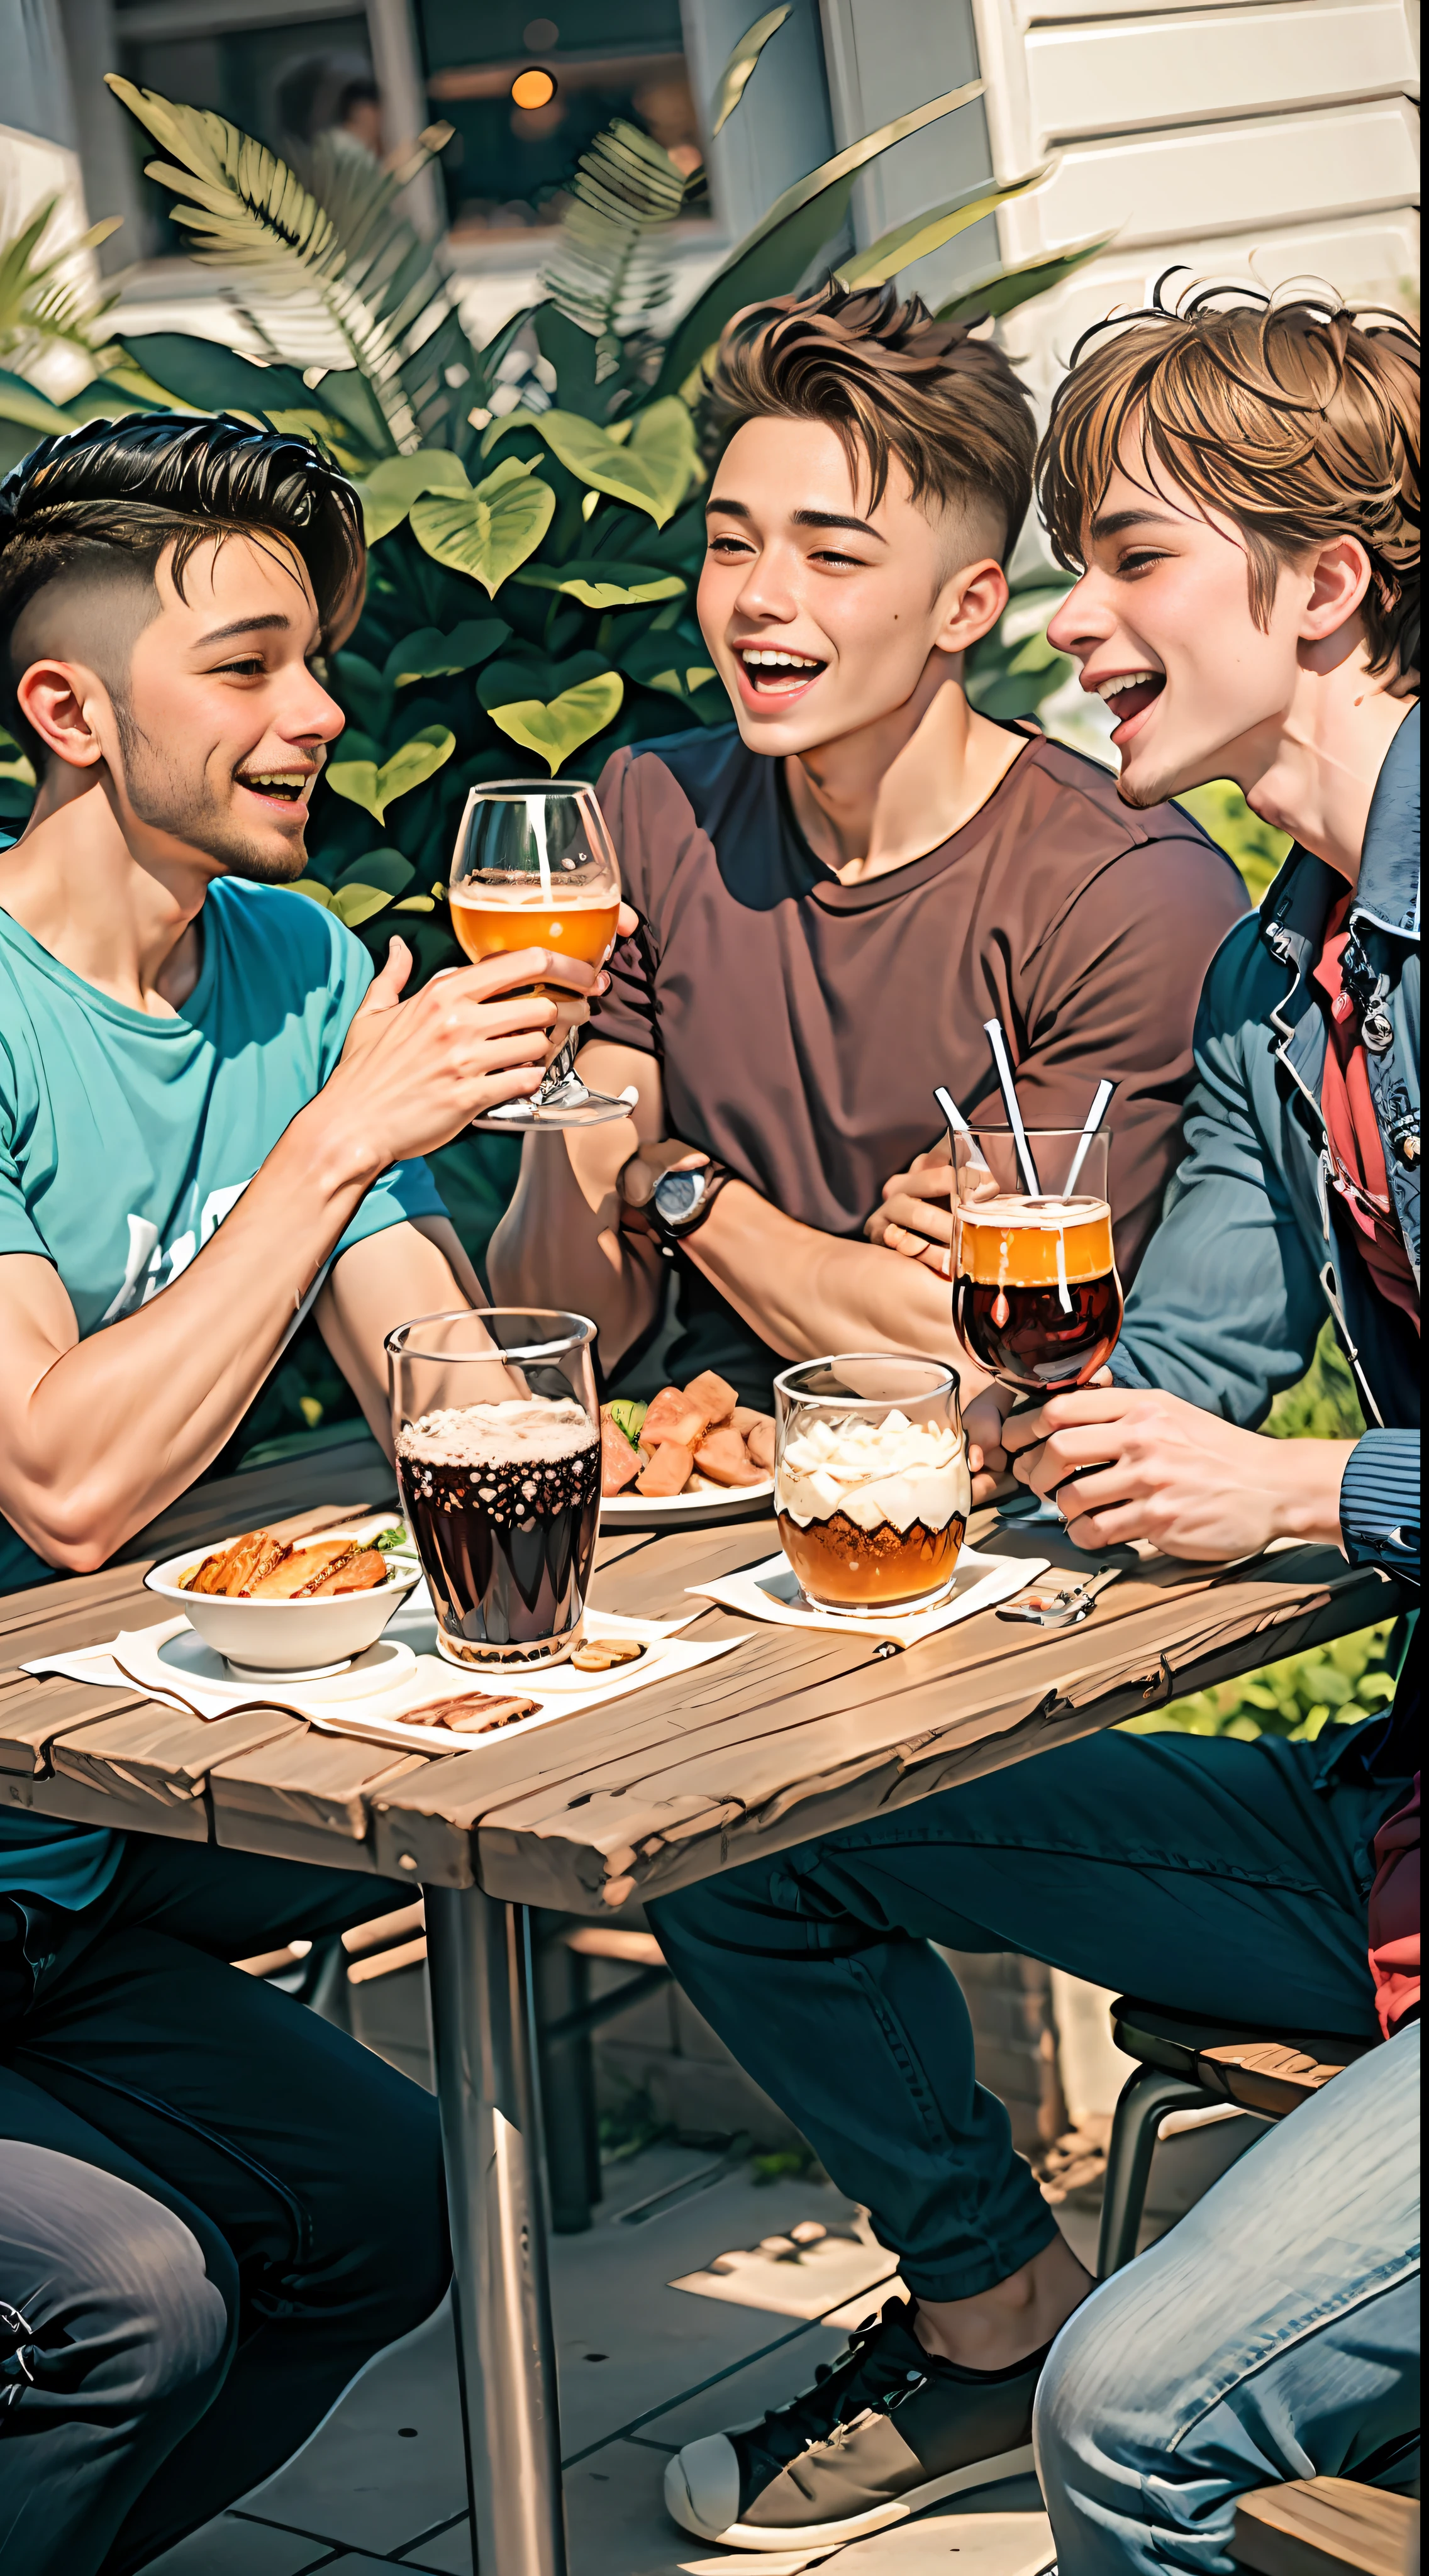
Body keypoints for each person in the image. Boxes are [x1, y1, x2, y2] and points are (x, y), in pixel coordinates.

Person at [652, 284, 1419, 2560]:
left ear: (1323, 584)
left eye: (1133, 560)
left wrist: (1321, 1485)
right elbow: (1163, 1390)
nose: (1075, 627)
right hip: (1385, 1837)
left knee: (1145, 2410)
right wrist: (981, 1375)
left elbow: (1268, 1466)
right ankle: (981, 2305)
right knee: (748, 1827)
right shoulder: (1284, 968)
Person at [0, 411, 610, 2575]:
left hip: (79, 1868)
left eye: (320, 657)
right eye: (250, 662)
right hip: (42, 1851)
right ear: (66, 712)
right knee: (131, 2298)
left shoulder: (296, 972)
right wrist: (339, 1134)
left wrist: (572, 1165)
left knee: (377, 2208)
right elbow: (62, 1479)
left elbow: (457, 1388)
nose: (324, 710)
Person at [489, 282, 1246, 1406]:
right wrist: (554, 1070)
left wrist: (680, 1194)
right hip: (701, 1486)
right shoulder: (652, 812)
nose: (758, 599)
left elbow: (980, 1349)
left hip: (1012, 1516)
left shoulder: (1129, 892)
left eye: (832, 559)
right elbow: (565, 1325)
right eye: (730, 545)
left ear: (966, 607)